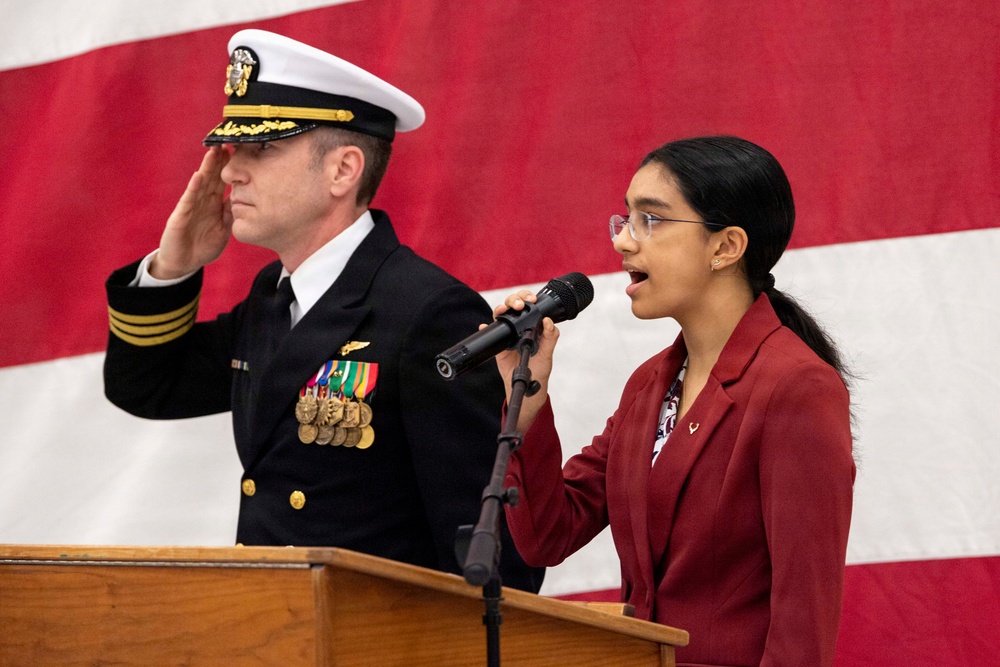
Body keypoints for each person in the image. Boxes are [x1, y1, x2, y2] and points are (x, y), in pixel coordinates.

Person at [103, 29, 542, 593]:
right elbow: (147, 387)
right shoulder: (273, 296)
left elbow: (488, 552)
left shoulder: (428, 312)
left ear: (343, 170)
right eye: (235, 150)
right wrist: (172, 267)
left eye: (262, 149)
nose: (231, 172)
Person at [497, 136, 855, 664]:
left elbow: (803, 619)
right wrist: (524, 394)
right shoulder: (651, 384)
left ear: (726, 246)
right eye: (625, 219)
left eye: (652, 220)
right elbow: (550, 535)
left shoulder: (795, 386)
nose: (623, 242)